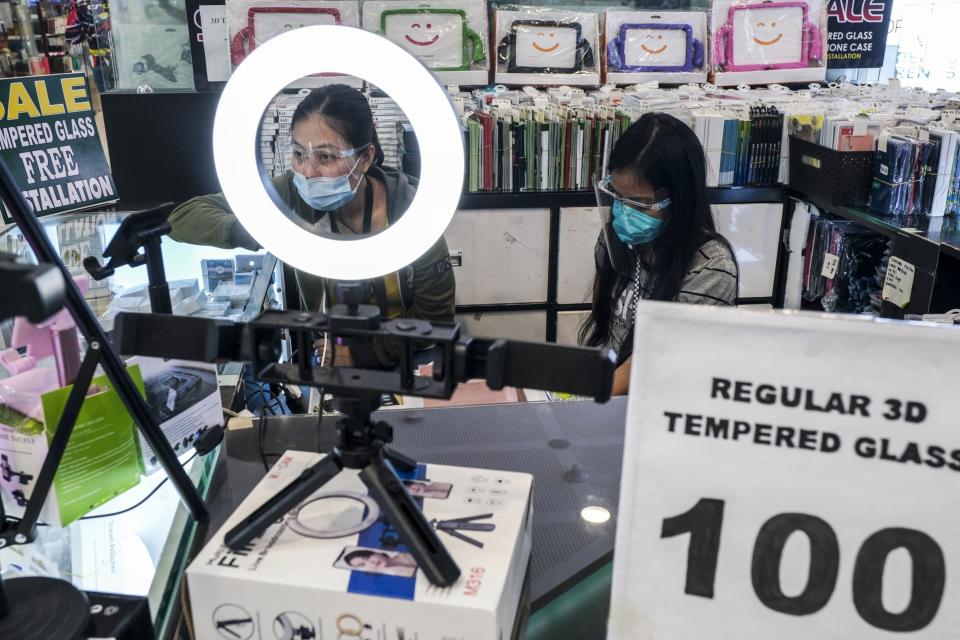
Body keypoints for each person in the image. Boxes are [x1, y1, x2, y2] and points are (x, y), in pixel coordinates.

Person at [167, 84, 456, 370]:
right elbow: (183, 216)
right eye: (298, 154)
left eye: (326, 157)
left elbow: (435, 317)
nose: (307, 171)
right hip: (329, 359)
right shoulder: (291, 195)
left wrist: (363, 353)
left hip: (405, 361)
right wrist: (255, 228)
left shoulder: (415, 215)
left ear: (365, 158)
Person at [580, 112, 739, 396]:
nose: (623, 213)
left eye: (639, 204)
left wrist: (588, 395)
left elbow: (659, 356)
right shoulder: (615, 241)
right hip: (614, 401)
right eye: (617, 197)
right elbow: (610, 336)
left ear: (679, 198)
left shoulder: (711, 268)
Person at [343, 549, 417, 576]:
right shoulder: (396, 574)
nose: (371, 563)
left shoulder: (407, 553)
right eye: (362, 565)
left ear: (377, 553)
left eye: (367, 557)